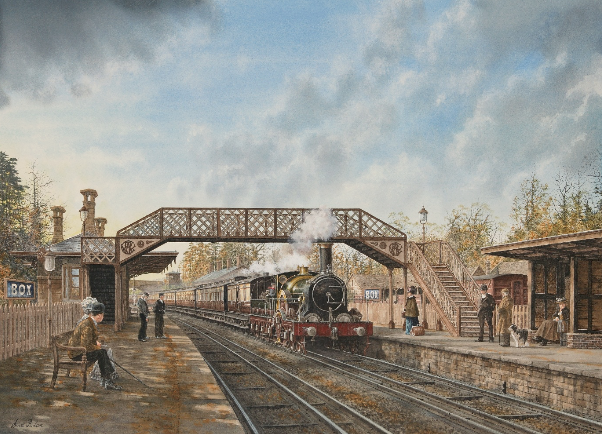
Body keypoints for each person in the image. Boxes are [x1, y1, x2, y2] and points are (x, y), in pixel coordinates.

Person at [68, 302, 122, 390]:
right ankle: (107, 379)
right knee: (102, 353)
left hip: (79, 350)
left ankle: (107, 379)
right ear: (99, 315)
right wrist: (97, 347)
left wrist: (96, 343)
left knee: (102, 353)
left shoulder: (89, 322)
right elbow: (87, 346)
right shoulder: (88, 325)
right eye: (103, 315)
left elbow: (87, 339)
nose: (103, 317)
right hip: (77, 353)